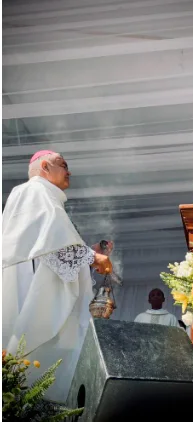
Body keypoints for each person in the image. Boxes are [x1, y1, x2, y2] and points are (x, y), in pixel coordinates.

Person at [2, 151, 113, 402]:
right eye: (63, 165)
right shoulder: (33, 190)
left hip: (37, 285)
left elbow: (49, 243)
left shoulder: (43, 197)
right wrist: (92, 258)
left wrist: (89, 253)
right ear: (44, 166)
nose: (69, 171)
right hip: (29, 290)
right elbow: (49, 236)